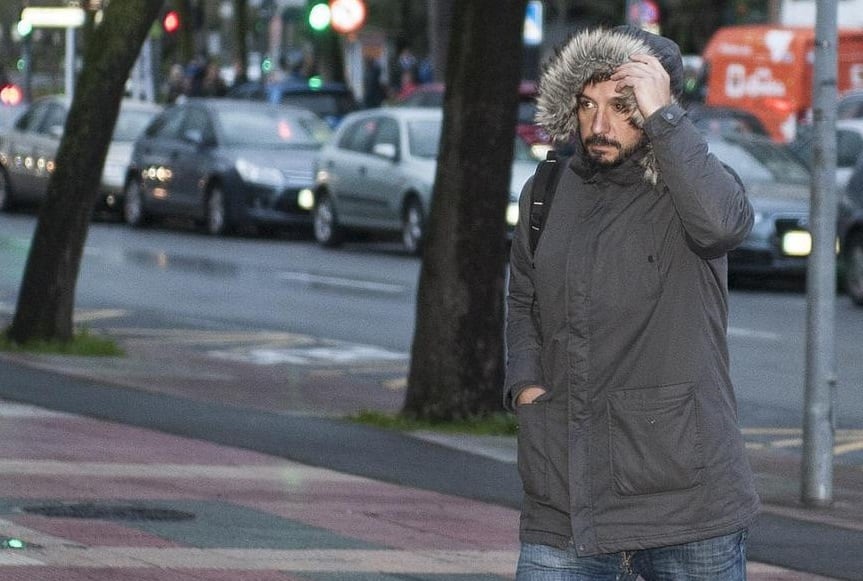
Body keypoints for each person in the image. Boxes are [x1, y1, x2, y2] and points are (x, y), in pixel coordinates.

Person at [504, 26, 761, 580]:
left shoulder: (691, 186)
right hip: (565, 500)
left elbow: (722, 226)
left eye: (622, 107)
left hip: (686, 506)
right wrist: (525, 385)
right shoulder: (546, 190)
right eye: (586, 104)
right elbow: (524, 298)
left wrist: (665, 118)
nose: (599, 125)